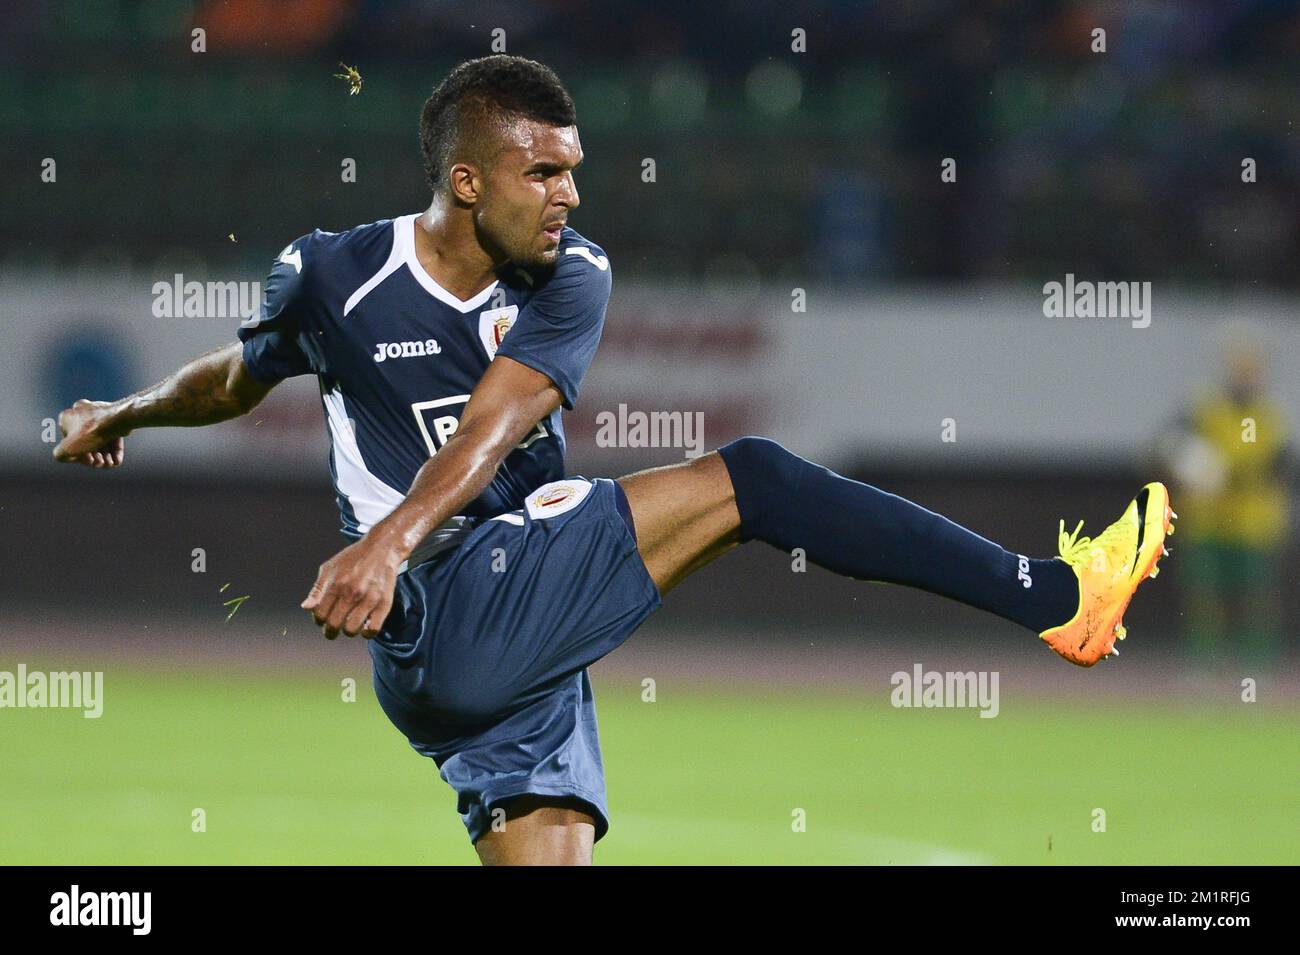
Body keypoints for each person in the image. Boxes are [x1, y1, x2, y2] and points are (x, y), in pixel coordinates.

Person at [52, 55, 1174, 865]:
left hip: (497, 625)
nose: (569, 196)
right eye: (542, 172)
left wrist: (382, 543)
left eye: (573, 169)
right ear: (467, 182)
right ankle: (1059, 599)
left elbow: (504, 408)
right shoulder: (330, 274)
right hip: (444, 608)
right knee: (761, 482)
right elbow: (241, 374)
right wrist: (126, 411)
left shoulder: (569, 273)